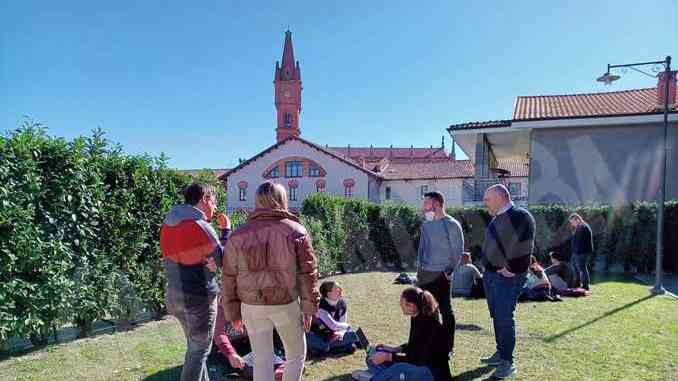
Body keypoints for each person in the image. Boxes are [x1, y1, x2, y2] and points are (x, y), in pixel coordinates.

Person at [221, 181, 320, 381]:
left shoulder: (238, 235)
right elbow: (307, 273)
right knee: (296, 354)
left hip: (252, 307)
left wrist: (233, 313)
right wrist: (309, 308)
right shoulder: (296, 230)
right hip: (285, 305)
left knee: (261, 359)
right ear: (282, 200)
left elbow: (228, 277)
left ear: (257, 201)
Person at [160, 182, 230, 381]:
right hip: (198, 299)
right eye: (214, 201)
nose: (215, 207)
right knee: (199, 351)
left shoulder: (167, 226)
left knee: (196, 351)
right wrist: (226, 232)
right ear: (205, 199)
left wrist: (208, 262)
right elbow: (224, 261)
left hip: (174, 297)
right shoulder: (202, 227)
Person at [479, 184, 535, 379]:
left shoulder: (520, 216)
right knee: (497, 316)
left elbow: (524, 245)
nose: (484, 202)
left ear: (501, 197)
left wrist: (511, 268)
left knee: (504, 317)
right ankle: (500, 353)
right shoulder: (497, 219)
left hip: (508, 277)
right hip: (492, 276)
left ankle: (507, 363)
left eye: (487, 199)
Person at [362, 287, 452, 381]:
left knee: (399, 367)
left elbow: (416, 359)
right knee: (372, 357)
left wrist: (388, 357)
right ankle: (388, 377)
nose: (400, 305)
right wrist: (394, 349)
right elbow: (415, 345)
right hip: (417, 365)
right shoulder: (416, 317)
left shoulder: (430, 324)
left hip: (431, 373)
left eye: (402, 302)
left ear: (411, 305)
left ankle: (379, 378)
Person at [416, 191, 463, 353]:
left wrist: (449, 270)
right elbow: (422, 248)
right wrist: (419, 270)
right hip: (425, 274)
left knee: (445, 311)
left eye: (426, 203)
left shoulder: (452, 224)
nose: (423, 207)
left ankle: (448, 347)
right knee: (427, 311)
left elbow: (458, 250)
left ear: (436, 204)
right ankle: (431, 345)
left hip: (442, 275)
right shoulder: (426, 224)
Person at [212, 298, 285, 380]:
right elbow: (218, 333)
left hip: (252, 341)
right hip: (229, 346)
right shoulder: (223, 302)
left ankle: (279, 365)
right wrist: (231, 354)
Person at [307, 280, 361, 357]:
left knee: (353, 334)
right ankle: (338, 347)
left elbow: (342, 322)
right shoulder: (320, 306)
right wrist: (347, 326)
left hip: (334, 335)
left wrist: (341, 333)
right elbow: (333, 325)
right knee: (353, 335)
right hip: (319, 334)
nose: (341, 290)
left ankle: (330, 349)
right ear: (329, 294)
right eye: (337, 289)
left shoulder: (342, 304)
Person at [569, 213, 594, 291]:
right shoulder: (582, 226)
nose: (572, 224)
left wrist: (576, 252)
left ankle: (585, 286)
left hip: (581, 252)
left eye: (572, 222)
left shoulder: (582, 227)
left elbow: (579, 242)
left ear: (577, 219)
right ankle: (578, 283)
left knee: (582, 268)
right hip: (580, 252)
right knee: (579, 268)